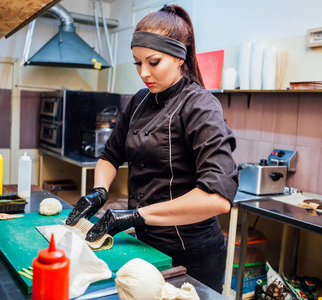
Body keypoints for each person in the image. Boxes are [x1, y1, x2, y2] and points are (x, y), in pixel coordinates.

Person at [66, 4, 238, 293]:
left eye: (153, 62)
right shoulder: (140, 101)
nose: (143, 72)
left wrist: (137, 215)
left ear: (179, 56)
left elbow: (217, 198)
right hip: (145, 245)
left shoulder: (200, 105)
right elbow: (110, 155)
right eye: (137, 62)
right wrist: (100, 191)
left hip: (191, 254)